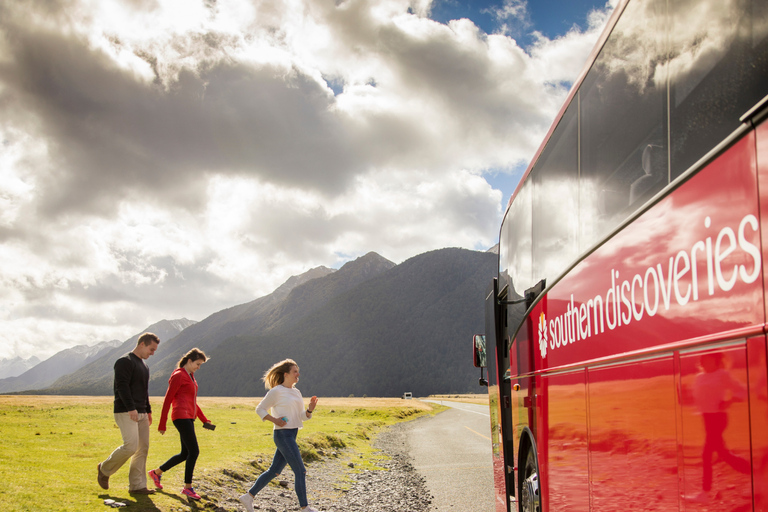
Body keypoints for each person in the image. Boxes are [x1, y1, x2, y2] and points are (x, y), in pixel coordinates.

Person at [239, 359, 320, 512]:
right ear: (286, 374)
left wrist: (310, 410)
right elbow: (260, 409)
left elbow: (301, 417)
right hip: (283, 435)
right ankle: (305, 507)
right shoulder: (276, 391)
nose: (298, 374)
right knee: (300, 471)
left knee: (274, 471)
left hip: (292, 434)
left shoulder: (296, 392)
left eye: (298, 371)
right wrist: (274, 420)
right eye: (295, 371)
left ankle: (248, 497)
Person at [97, 332, 160, 494]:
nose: (153, 353)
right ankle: (104, 469)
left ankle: (137, 486)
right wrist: (131, 408)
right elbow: (122, 386)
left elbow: (144, 391)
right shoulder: (124, 361)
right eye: (151, 349)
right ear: (142, 344)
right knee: (131, 446)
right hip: (126, 411)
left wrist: (148, 410)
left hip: (142, 413)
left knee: (142, 449)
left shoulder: (144, 366)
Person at [148, 348, 212, 501]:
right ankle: (188, 488)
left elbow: (192, 402)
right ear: (189, 361)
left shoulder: (190, 376)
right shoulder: (178, 376)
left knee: (185, 453)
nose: (199, 367)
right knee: (194, 451)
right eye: (197, 364)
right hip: (180, 416)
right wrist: (162, 423)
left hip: (189, 417)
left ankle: (156, 473)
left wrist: (204, 420)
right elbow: (168, 399)